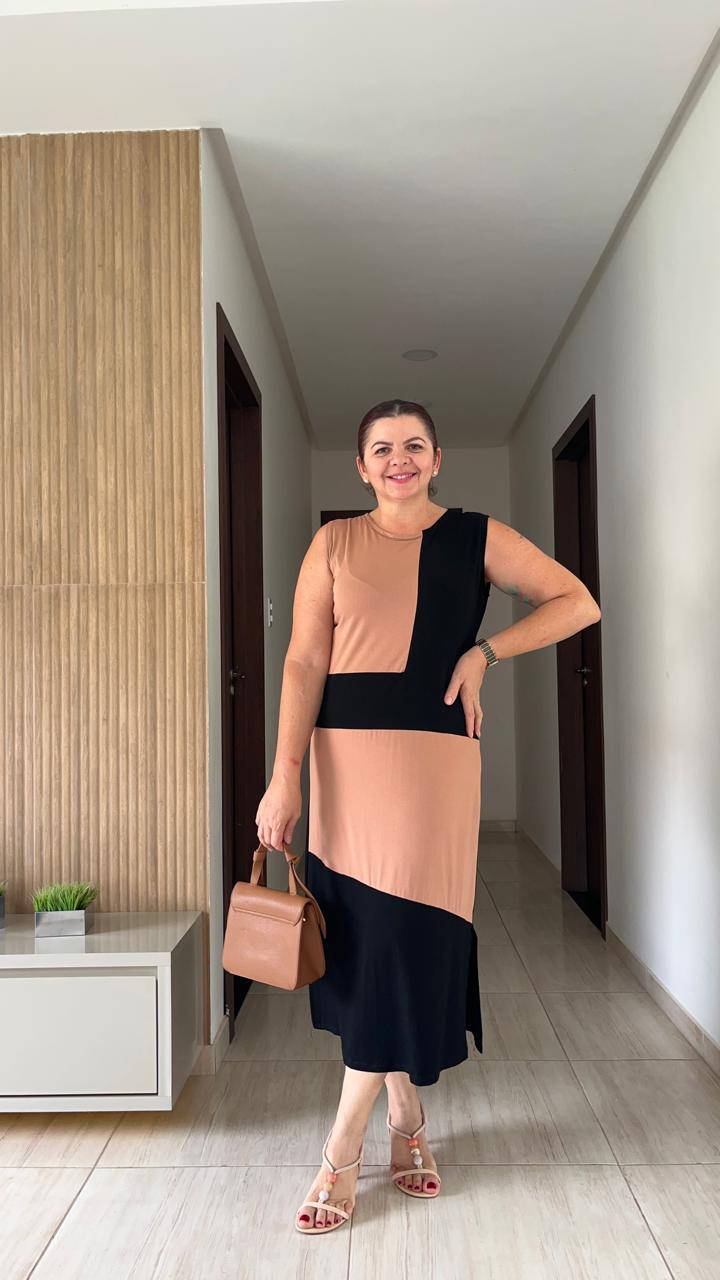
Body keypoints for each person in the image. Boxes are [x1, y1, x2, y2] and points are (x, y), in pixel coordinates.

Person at [255, 399, 601, 1236]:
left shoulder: (477, 537)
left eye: (414, 445)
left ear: (438, 458)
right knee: (363, 936)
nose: (399, 459)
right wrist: (284, 774)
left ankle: (341, 1148)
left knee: (408, 932)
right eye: (382, 448)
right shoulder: (333, 544)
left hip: (435, 761)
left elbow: (576, 601)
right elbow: (304, 658)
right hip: (344, 759)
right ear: (361, 467)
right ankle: (406, 1114)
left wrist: (485, 653)